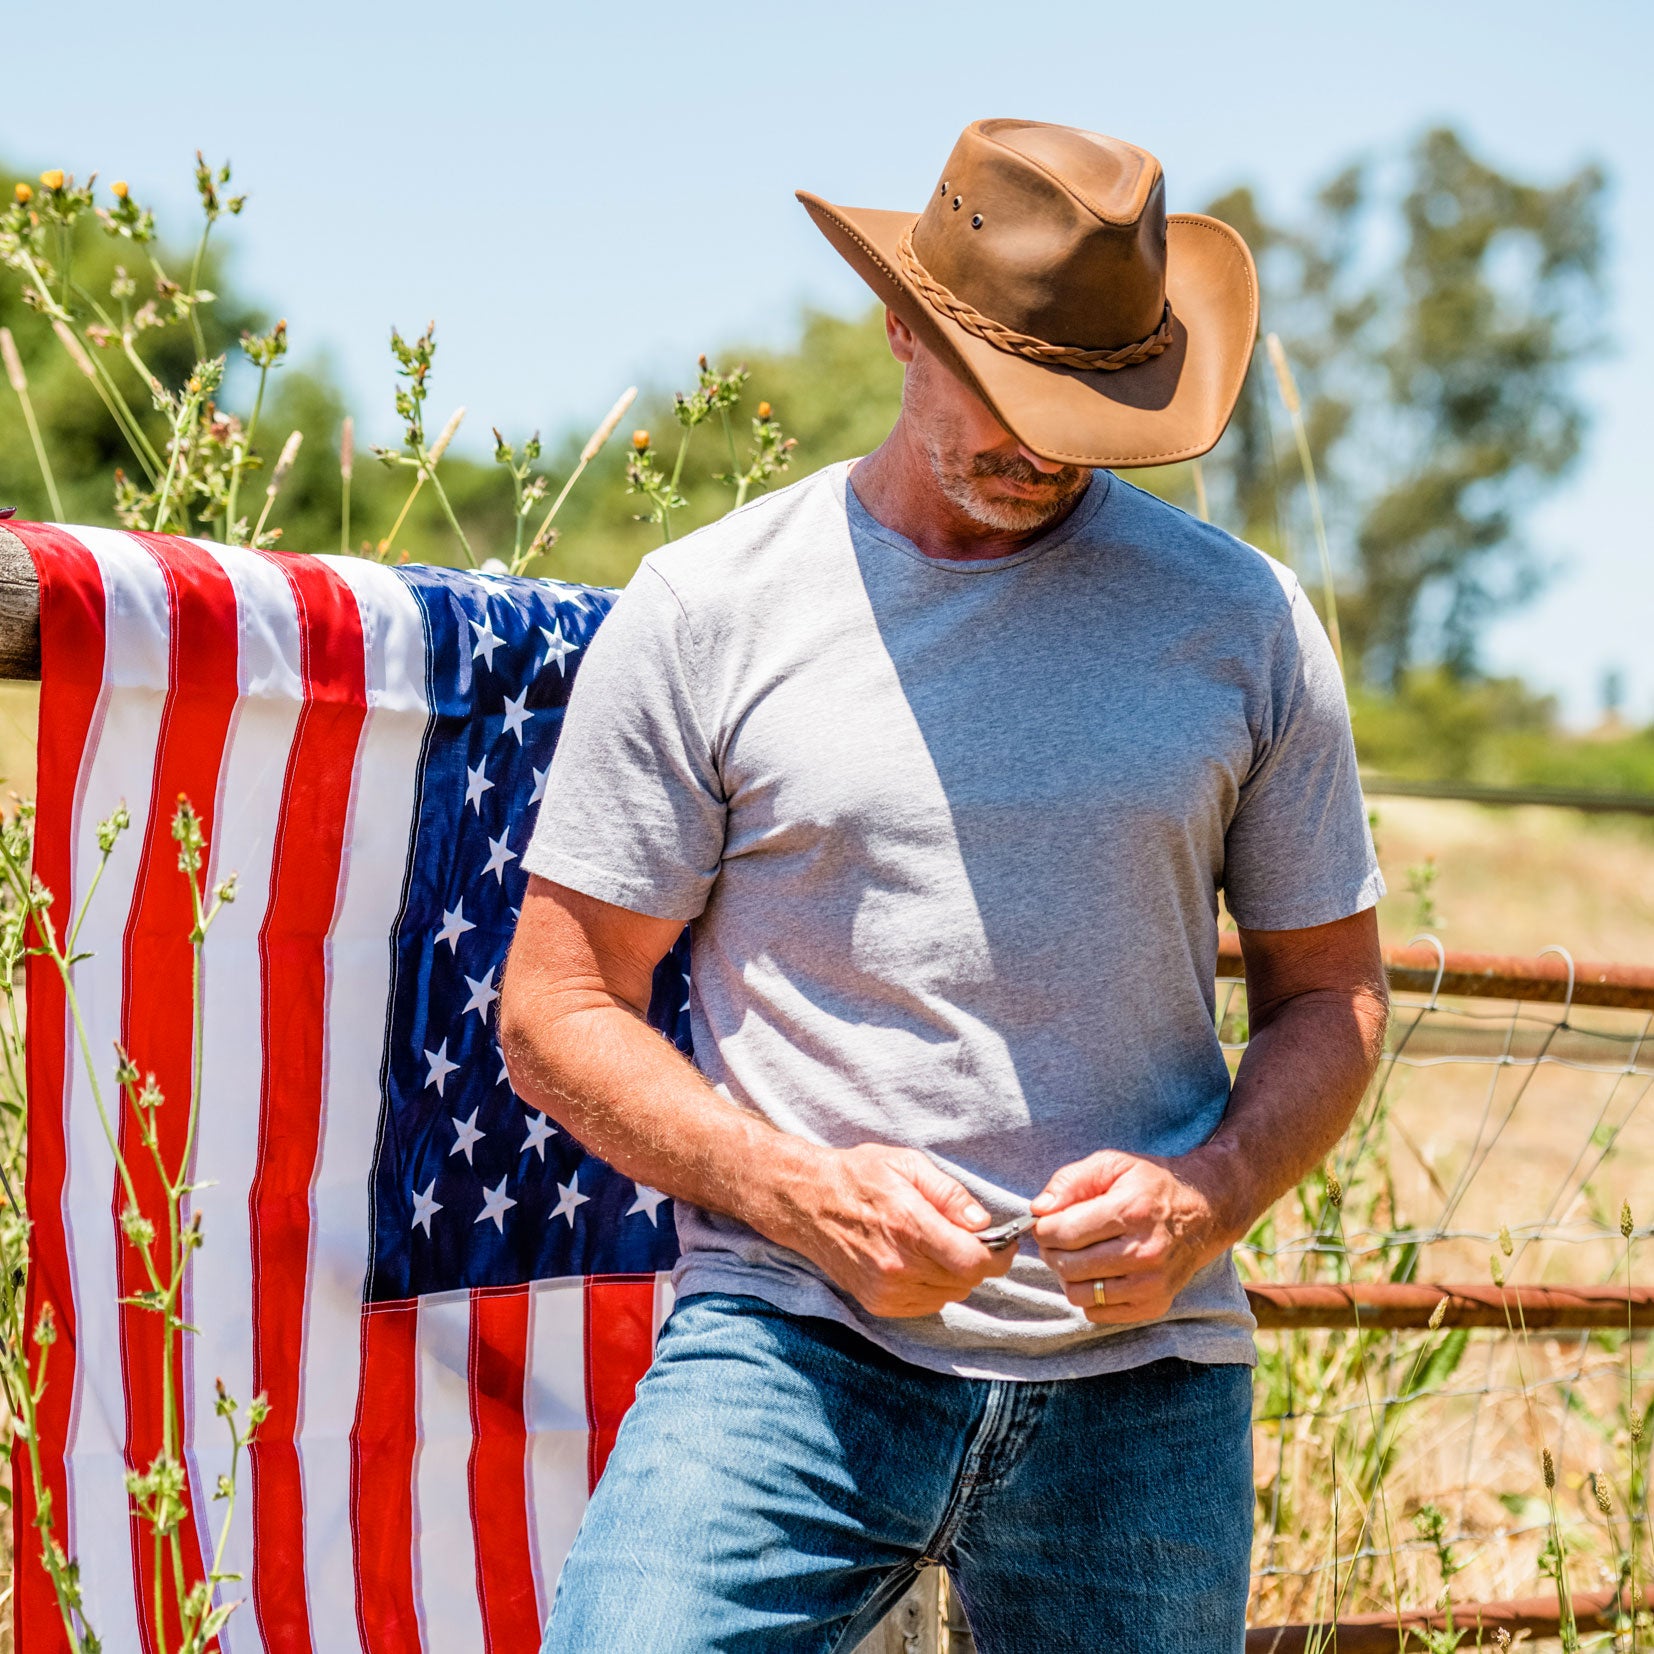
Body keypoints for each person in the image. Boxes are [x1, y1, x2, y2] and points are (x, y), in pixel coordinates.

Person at [502, 118, 1389, 1654]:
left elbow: (1336, 996)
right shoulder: (710, 608)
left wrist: (1209, 1193)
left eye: (1089, 408)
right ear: (900, 320)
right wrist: (800, 1192)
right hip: (790, 1347)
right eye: (1005, 394)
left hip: (1146, 1382)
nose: (1041, 447)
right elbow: (553, 1005)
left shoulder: (1243, 621)